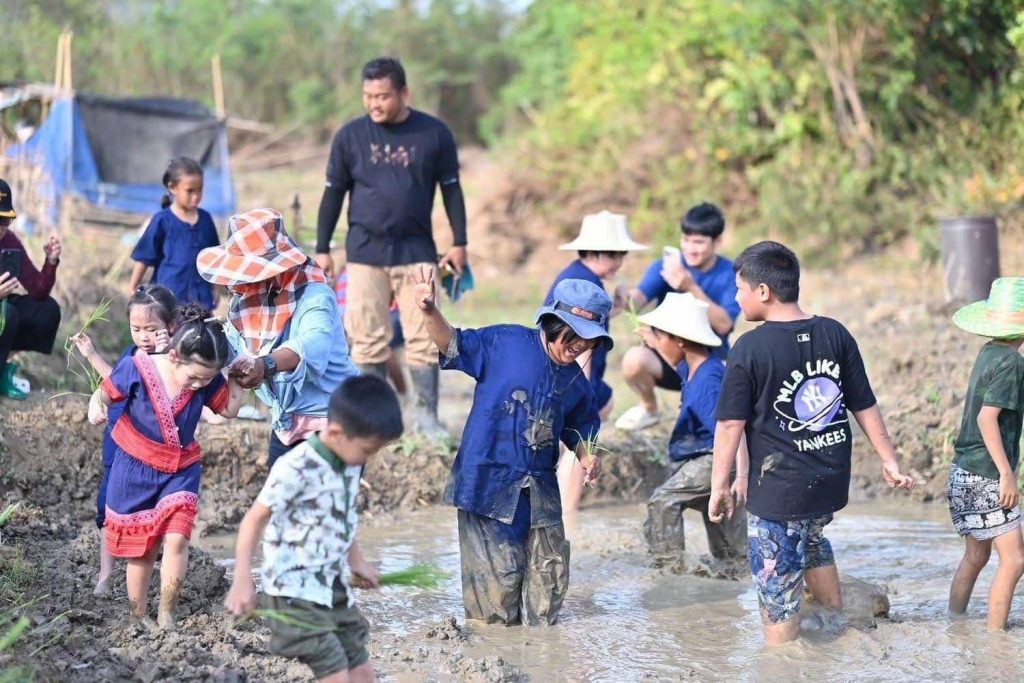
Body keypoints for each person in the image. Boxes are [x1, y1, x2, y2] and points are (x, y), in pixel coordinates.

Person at [708, 240, 914, 646]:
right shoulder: (834, 333)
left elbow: (731, 426)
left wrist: (719, 486)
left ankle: (786, 657)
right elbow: (864, 404)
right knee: (813, 539)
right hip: (827, 484)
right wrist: (888, 459)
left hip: (780, 493)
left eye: (739, 288)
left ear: (763, 292)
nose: (736, 296)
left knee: (778, 592)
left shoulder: (749, 348)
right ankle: (837, 620)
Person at [411, 269, 604, 625]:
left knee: (549, 581)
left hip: (539, 491)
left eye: (590, 340)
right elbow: (452, 343)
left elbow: (582, 427)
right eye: (574, 334)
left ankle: (541, 658)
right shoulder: (506, 343)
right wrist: (429, 311)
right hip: (487, 483)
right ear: (551, 322)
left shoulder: (577, 380)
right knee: (496, 594)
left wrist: (588, 455)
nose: (579, 344)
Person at [314, 56, 468, 437]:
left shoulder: (433, 134)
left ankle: (426, 418)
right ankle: (373, 420)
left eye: (382, 96)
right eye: (368, 96)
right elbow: (333, 195)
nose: (374, 104)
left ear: (404, 93)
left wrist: (460, 242)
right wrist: (322, 248)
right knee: (367, 340)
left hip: (417, 252)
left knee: (424, 335)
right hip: (364, 253)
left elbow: (452, 191)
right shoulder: (350, 137)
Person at [225, 375, 404, 683]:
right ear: (335, 432)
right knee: (335, 673)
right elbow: (253, 520)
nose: (369, 458)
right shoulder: (295, 468)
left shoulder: (348, 463)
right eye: (367, 449)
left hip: (331, 587)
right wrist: (242, 579)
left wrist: (357, 562)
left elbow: (342, 517)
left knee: (361, 671)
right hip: (294, 593)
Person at [89, 305, 245, 629]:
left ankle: (167, 612)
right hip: (135, 469)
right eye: (194, 377)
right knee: (142, 551)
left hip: (180, 469)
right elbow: (104, 393)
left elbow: (228, 408)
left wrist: (238, 382)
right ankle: (138, 614)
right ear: (174, 357)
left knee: (176, 540)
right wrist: (95, 405)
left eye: (207, 380)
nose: (198, 386)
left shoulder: (206, 379)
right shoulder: (136, 368)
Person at [197, 208, 357, 470]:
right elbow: (234, 348)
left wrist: (265, 365)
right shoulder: (247, 302)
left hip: (332, 420)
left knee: (324, 506)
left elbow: (312, 346)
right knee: (280, 504)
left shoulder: (315, 295)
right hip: (286, 423)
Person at [72, 284, 177, 595]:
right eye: (136, 328)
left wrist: (165, 351)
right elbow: (114, 380)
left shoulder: (174, 360)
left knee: (153, 511)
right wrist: (91, 355)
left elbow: (180, 385)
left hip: (151, 453)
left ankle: (148, 574)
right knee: (108, 507)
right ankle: (105, 576)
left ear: (170, 327)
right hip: (118, 443)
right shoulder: (131, 356)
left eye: (152, 329)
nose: (143, 336)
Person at [543, 210, 647, 513]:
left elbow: (589, 324)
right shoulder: (586, 282)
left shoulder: (580, 277)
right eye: (619, 255)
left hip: (564, 375)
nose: (621, 262)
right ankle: (566, 511)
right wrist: (581, 398)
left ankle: (563, 498)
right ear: (602, 253)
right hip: (569, 378)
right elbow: (581, 345)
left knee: (605, 401)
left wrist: (617, 304)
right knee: (581, 441)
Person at [639, 293, 746, 570]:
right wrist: (655, 343)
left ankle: (669, 571)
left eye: (661, 337)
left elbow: (733, 428)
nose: (657, 344)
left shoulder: (708, 383)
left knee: (663, 500)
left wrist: (737, 477)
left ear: (681, 340)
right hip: (712, 456)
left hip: (718, 457)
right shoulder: (695, 364)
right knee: (729, 552)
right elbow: (676, 363)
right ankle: (732, 571)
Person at [615, 202, 740, 431]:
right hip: (667, 356)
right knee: (633, 360)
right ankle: (649, 409)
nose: (690, 249)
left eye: (699, 242)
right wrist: (620, 294)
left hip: (710, 362)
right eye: (686, 240)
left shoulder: (730, 274)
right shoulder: (667, 266)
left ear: (717, 242)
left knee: (718, 416)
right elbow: (638, 300)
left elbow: (724, 325)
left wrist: (690, 286)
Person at [946, 277, 1024, 630]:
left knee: (976, 555)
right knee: (1015, 560)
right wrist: (1007, 474)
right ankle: (997, 642)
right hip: (988, 475)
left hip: (964, 469)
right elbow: (986, 417)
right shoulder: (1012, 363)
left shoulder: (990, 352)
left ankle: (955, 624)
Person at [129, 157, 220, 310]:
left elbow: (213, 258)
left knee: (202, 333)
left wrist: (215, 288)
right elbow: (144, 257)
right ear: (173, 188)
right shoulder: (162, 220)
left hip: (201, 300)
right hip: (168, 300)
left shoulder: (206, 220)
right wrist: (133, 287)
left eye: (199, 190)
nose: (196, 196)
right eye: (190, 191)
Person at [0, 177, 62, 400]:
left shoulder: (10, 241)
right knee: (9, 314)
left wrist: (50, 262)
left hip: (4, 306)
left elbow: (38, 289)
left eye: (6, 221)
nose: (2, 227)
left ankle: (3, 369)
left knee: (47, 310)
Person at [334, 266, 408, 399]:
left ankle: (401, 393)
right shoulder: (348, 274)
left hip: (378, 316)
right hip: (350, 319)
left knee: (378, 346)